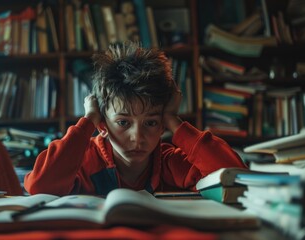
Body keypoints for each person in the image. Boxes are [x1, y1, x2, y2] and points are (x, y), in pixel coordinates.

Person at [24, 42, 246, 196]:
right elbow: (40, 186)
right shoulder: (83, 161)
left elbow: (235, 178)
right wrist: (87, 121)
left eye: (151, 122)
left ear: (162, 127)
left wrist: (174, 120)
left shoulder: (169, 162)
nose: (137, 137)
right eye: (123, 122)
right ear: (103, 124)